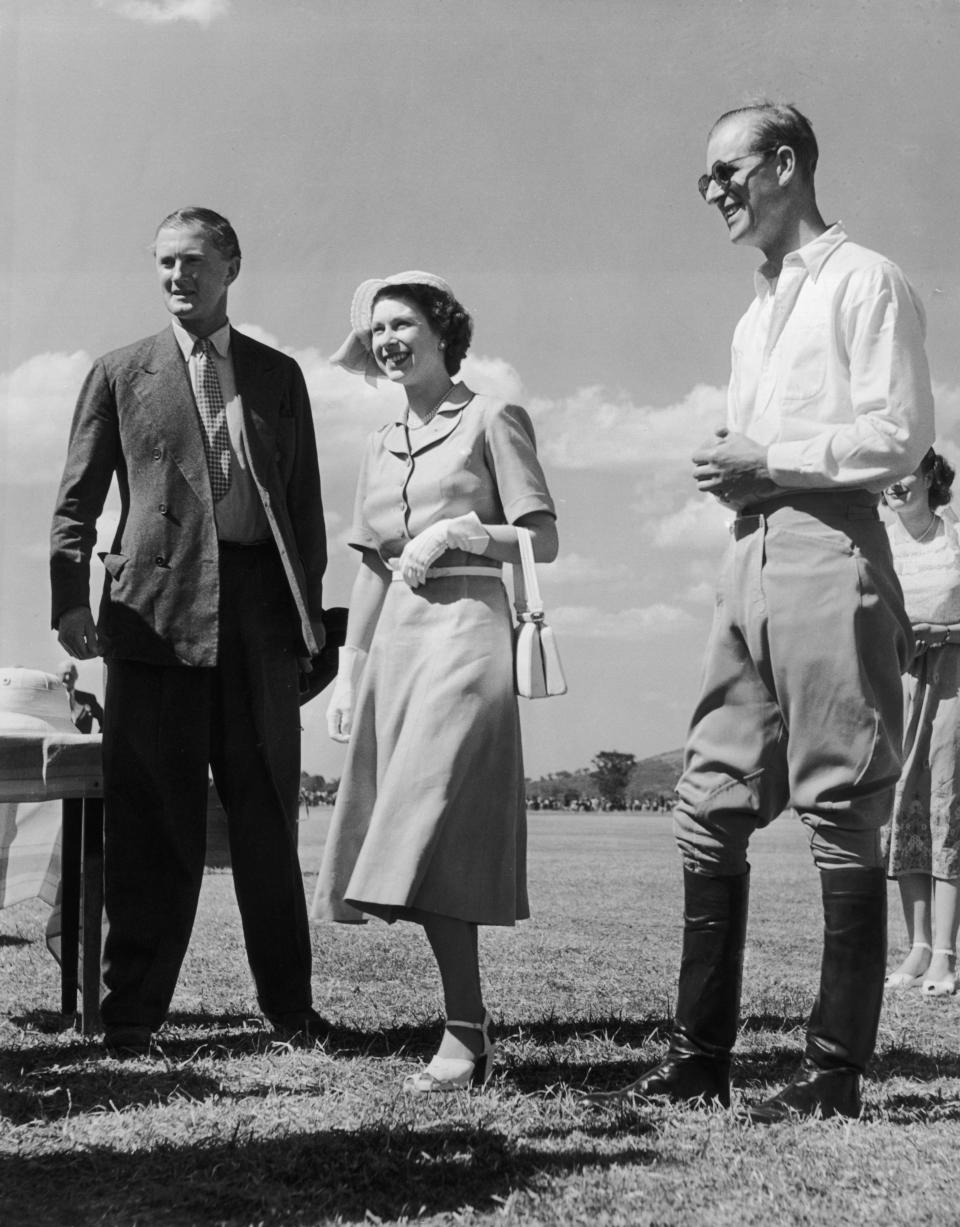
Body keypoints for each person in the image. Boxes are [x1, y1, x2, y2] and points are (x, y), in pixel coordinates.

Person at [587, 103, 934, 1122]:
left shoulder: (867, 280)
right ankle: (699, 1060)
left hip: (831, 550)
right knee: (708, 799)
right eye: (706, 180)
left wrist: (769, 461)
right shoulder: (754, 312)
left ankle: (833, 1074)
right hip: (749, 559)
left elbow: (903, 439)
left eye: (727, 172)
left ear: (785, 164)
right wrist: (741, 475)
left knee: (841, 805)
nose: (714, 193)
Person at [50, 207, 328, 1054]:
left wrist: (309, 625)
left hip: (258, 622)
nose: (178, 276)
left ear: (231, 267)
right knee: (150, 820)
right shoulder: (117, 371)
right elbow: (75, 504)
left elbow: (306, 510)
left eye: (195, 262)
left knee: (267, 818)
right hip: (153, 623)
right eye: (166, 263)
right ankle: (130, 1015)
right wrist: (69, 599)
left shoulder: (279, 375)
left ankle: (290, 1008)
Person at [312, 271, 557, 1092]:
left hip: (468, 638)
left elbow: (542, 540)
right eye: (376, 328)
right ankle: (468, 1029)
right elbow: (373, 570)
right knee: (421, 834)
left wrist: (463, 530)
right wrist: (348, 673)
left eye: (401, 321)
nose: (386, 339)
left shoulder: (493, 415)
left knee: (426, 817)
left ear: (441, 327)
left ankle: (463, 1032)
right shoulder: (378, 442)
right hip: (398, 652)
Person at [881, 450, 960, 998]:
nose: (894, 484)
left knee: (947, 802)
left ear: (931, 476)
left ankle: (947, 955)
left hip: (954, 676)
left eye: (905, 472)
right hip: (897, 679)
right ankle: (918, 947)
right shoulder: (878, 542)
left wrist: (941, 627)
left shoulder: (955, 539)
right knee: (902, 803)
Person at [57, 659, 103, 734]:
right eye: (64, 674)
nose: (67, 678)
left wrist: (95, 740)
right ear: (57, 676)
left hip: (83, 744)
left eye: (71, 674)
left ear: (76, 676)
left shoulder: (88, 698)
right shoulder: (52, 698)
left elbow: (105, 720)